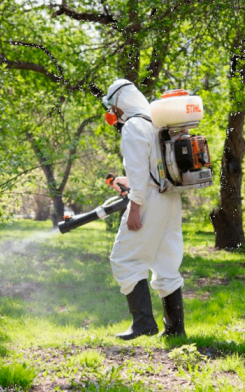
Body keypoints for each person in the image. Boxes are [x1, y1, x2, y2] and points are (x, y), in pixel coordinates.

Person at [103, 79, 186, 340]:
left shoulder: (133, 127)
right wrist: (131, 183)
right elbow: (153, 170)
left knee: (123, 258)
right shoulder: (158, 124)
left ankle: (143, 323)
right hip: (170, 198)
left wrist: (135, 208)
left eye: (113, 109)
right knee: (166, 263)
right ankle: (175, 330)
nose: (113, 115)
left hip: (149, 201)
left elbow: (139, 171)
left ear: (119, 104)